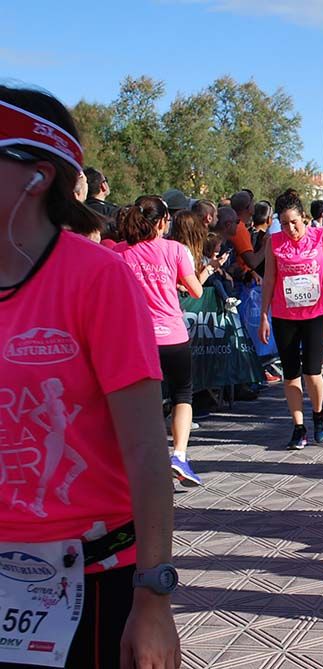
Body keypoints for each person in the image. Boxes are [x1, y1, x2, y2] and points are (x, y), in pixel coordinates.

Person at [0, 84, 179, 667]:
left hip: (91, 578)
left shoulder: (97, 279)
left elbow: (149, 452)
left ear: (37, 175)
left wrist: (153, 599)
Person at [116, 197, 205, 487]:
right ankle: (179, 455)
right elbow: (196, 291)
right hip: (174, 335)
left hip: (139, 338)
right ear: (164, 221)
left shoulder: (121, 253)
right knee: (183, 394)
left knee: (146, 400)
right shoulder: (175, 250)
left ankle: (149, 459)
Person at [258, 189, 323, 450]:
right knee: (291, 373)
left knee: (312, 371)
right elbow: (270, 279)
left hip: (316, 313)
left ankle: (318, 415)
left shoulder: (321, 236)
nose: (290, 228)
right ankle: (298, 426)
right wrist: (264, 315)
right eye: (284, 223)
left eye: (294, 222)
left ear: (304, 217)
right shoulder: (274, 242)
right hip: (285, 315)